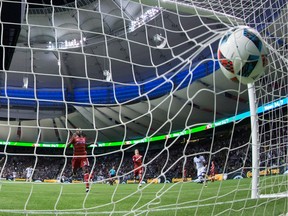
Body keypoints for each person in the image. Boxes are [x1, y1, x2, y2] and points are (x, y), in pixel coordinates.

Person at [67, 128, 93, 192]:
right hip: (76, 157)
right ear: (76, 132)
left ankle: (87, 188)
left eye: (80, 130)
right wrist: (70, 141)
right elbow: (67, 146)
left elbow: (85, 145)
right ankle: (74, 173)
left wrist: (92, 143)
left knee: (85, 170)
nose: (79, 131)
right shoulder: (74, 138)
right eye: (78, 130)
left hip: (83, 157)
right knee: (74, 171)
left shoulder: (84, 138)